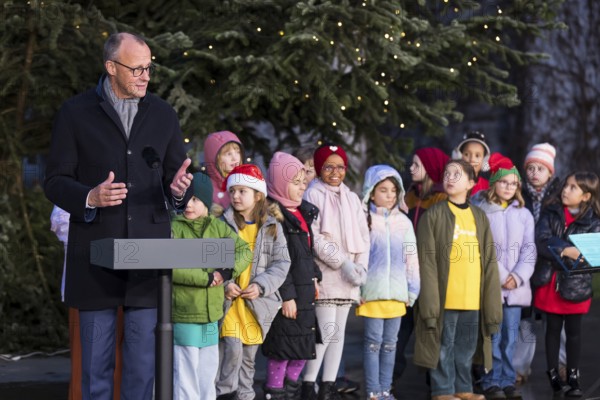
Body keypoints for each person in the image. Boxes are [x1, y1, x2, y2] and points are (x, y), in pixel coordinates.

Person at [44, 32, 193, 400]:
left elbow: (179, 176)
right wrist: (89, 196)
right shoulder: (75, 113)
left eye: (149, 68)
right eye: (137, 68)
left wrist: (179, 191)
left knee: (142, 368)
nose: (145, 75)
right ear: (111, 67)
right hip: (95, 257)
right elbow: (54, 181)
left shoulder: (162, 113)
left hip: (148, 262)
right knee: (95, 369)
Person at [414, 159, 502, 400]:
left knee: (466, 349)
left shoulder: (479, 217)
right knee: (443, 348)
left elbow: (490, 262)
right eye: (447, 174)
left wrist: (492, 304)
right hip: (445, 297)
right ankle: (442, 391)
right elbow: (427, 263)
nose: (450, 178)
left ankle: (464, 389)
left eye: (457, 174)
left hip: (472, 297)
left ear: (471, 183)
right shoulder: (433, 215)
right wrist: (430, 304)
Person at [171, 172, 252, 400]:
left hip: (212, 314)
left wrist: (226, 271)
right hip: (184, 313)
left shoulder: (218, 228)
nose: (189, 205)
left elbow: (244, 251)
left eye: (196, 199)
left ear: (206, 203)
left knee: (207, 373)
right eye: (185, 199)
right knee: (185, 375)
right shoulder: (175, 228)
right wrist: (206, 278)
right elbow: (172, 266)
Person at [301, 144, 370, 400]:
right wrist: (343, 263)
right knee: (325, 331)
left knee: (338, 333)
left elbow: (364, 235)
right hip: (328, 274)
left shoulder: (351, 197)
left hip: (350, 277)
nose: (335, 171)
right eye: (328, 166)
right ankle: (309, 383)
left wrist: (360, 266)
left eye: (340, 166)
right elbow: (315, 237)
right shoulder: (313, 194)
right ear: (319, 168)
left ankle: (328, 384)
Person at [216, 164, 291, 400]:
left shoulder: (272, 227)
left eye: (242, 191)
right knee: (231, 354)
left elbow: (281, 263)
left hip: (256, 305)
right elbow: (212, 261)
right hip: (229, 305)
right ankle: (224, 394)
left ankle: (246, 396)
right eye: (232, 191)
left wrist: (260, 286)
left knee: (248, 361)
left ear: (258, 195)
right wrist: (225, 283)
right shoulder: (221, 224)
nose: (235, 196)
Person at [472, 154, 537, 400]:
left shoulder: (524, 214)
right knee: (492, 336)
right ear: (494, 183)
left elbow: (529, 250)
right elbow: (483, 247)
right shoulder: (482, 211)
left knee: (511, 337)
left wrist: (518, 277)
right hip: (492, 285)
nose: (509, 188)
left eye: (513, 183)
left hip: (517, 289)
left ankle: (508, 380)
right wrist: (501, 276)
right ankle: (491, 380)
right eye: (504, 182)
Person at [531, 171, 600, 397]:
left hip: (577, 286)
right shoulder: (550, 213)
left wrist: (564, 250)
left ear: (586, 196)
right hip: (551, 284)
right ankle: (553, 376)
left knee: (574, 333)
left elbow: (593, 254)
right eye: (566, 185)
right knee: (551, 331)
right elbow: (541, 241)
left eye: (573, 188)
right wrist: (567, 249)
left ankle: (573, 377)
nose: (565, 190)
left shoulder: (594, 221)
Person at [261, 152, 322, 400]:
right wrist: (286, 296)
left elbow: (307, 253)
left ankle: (290, 393)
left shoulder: (303, 214)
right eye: (295, 183)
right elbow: (275, 260)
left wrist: (315, 276)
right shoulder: (274, 217)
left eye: (303, 182)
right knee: (283, 351)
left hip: (305, 292)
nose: (301, 187)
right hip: (288, 297)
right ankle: (275, 394)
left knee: (302, 352)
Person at [357, 165, 420, 400]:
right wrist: (357, 289)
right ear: (371, 192)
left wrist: (412, 290)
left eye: (394, 190)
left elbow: (411, 258)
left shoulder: (404, 223)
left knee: (391, 345)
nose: (390, 195)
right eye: (384, 190)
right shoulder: (364, 220)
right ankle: (373, 391)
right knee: (373, 344)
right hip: (372, 294)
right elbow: (358, 257)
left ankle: (386, 389)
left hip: (397, 295)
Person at [50, 206, 125, 400]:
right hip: (88, 284)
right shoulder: (79, 177)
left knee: (127, 362)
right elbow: (59, 221)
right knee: (88, 363)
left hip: (130, 284)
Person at [394, 147, 448, 381]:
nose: (411, 168)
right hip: (404, 272)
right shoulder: (408, 196)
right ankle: (391, 378)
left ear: (431, 168)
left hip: (429, 272)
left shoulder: (441, 198)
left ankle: (433, 381)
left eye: (417, 165)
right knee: (401, 328)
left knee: (429, 327)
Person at [513, 142, 562, 384]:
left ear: (550, 172)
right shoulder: (519, 195)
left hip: (550, 265)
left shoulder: (559, 197)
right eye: (530, 168)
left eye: (540, 169)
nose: (534, 173)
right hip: (525, 266)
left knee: (556, 319)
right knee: (526, 319)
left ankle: (563, 365)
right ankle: (520, 368)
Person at [203, 131, 245, 208]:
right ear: (214, 159)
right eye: (228, 154)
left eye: (238, 152)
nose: (235, 158)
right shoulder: (207, 190)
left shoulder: (247, 182)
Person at [451, 131, 491, 196]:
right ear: (458, 156)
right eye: (466, 154)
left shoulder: (488, 188)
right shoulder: (451, 183)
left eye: (477, 155)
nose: (472, 159)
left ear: (484, 160)